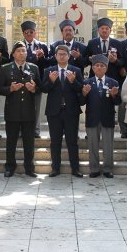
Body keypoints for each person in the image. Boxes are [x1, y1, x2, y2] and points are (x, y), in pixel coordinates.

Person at [0, 41, 41, 177]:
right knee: (11, 141)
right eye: (18, 51)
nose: (21, 53)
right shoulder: (5, 68)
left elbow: (40, 88)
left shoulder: (34, 68)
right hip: (12, 111)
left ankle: (29, 167)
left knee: (29, 141)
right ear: (13, 54)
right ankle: (10, 166)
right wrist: (10, 88)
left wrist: (34, 89)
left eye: (23, 51)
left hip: (29, 111)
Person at [41, 44, 84, 177]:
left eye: (64, 54)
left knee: (72, 141)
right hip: (54, 112)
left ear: (68, 56)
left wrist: (73, 81)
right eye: (59, 54)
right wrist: (51, 81)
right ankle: (55, 168)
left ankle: (75, 168)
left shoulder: (75, 70)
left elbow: (80, 89)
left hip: (71, 111)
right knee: (55, 141)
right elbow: (44, 89)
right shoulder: (49, 70)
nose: (62, 56)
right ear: (55, 56)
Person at [81, 54, 120, 178]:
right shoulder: (87, 82)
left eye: (102, 66)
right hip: (92, 118)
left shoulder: (113, 82)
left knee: (108, 145)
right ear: (92, 68)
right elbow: (81, 102)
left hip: (107, 118)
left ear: (106, 68)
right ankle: (94, 169)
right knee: (93, 145)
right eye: (96, 65)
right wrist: (84, 93)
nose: (99, 67)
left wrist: (114, 95)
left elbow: (118, 102)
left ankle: (108, 168)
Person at [21, 21, 50, 138]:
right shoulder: (18, 45)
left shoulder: (42, 46)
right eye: (26, 32)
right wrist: (33, 56)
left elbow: (47, 64)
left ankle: (36, 130)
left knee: (36, 107)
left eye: (31, 32)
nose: (29, 34)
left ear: (35, 33)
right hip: (21, 80)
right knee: (21, 106)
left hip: (37, 81)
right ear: (23, 33)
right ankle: (21, 130)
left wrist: (41, 57)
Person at [84, 17, 123, 82]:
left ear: (110, 31)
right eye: (102, 28)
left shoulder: (117, 43)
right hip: (95, 77)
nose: (104, 30)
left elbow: (122, 61)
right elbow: (85, 60)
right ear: (98, 30)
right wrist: (90, 59)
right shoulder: (92, 43)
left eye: (107, 28)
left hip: (112, 77)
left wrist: (115, 60)